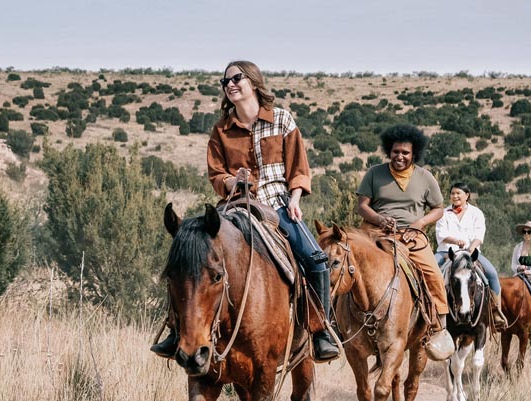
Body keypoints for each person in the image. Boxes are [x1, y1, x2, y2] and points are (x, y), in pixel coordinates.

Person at [151, 60, 339, 362]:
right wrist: (231, 181)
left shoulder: (282, 120)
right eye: (225, 82)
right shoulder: (221, 130)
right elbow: (216, 174)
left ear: (253, 81)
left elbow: (298, 167)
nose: (230, 85)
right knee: (190, 260)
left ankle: (321, 332)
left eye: (237, 78)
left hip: (277, 204)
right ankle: (176, 331)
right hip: (234, 206)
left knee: (316, 260)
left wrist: (295, 198)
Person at [356, 124, 452, 359]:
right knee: (346, 264)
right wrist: (379, 218)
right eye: (396, 151)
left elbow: (438, 209)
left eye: (405, 153)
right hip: (376, 233)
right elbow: (362, 206)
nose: (400, 156)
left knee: (433, 274)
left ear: (414, 154)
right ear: (390, 150)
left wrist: (419, 224)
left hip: (411, 235)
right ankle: (332, 322)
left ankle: (439, 325)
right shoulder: (374, 173)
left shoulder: (425, 177)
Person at [434, 182, 508, 329]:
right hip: (446, 252)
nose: (455, 196)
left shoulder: (476, 213)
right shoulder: (443, 213)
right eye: (452, 193)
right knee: (429, 272)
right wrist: (455, 241)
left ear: (467, 196)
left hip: (470, 253)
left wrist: (470, 249)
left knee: (492, 273)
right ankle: (429, 311)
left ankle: (495, 311)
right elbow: (441, 235)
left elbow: (479, 236)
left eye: (458, 193)